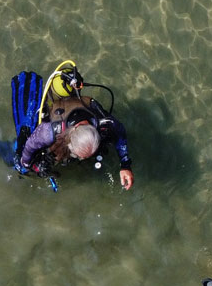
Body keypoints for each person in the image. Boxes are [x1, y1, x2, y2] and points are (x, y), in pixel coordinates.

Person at [13, 62, 133, 190]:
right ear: (70, 136)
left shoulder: (104, 122)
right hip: (57, 118)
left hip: (78, 122)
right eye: (77, 155)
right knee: (19, 161)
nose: (79, 158)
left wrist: (125, 165)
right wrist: (26, 165)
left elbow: (120, 132)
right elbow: (30, 145)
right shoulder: (48, 131)